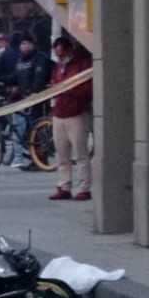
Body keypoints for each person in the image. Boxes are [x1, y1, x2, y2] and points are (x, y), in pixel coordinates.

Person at [48, 36, 93, 201]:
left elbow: (87, 89)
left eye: (61, 54)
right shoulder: (59, 67)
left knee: (81, 154)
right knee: (62, 155)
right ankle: (64, 185)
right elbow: (55, 84)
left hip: (77, 113)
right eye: (57, 55)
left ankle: (84, 187)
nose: (60, 58)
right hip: (59, 113)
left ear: (69, 50)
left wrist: (67, 89)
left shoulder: (83, 65)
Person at [8, 33, 52, 170]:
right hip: (25, 99)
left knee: (37, 128)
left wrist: (34, 92)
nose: (25, 46)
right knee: (29, 130)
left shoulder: (41, 59)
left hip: (38, 99)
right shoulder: (21, 61)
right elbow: (14, 77)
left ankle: (41, 160)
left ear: (33, 44)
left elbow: (40, 77)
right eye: (22, 44)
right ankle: (36, 160)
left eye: (27, 43)